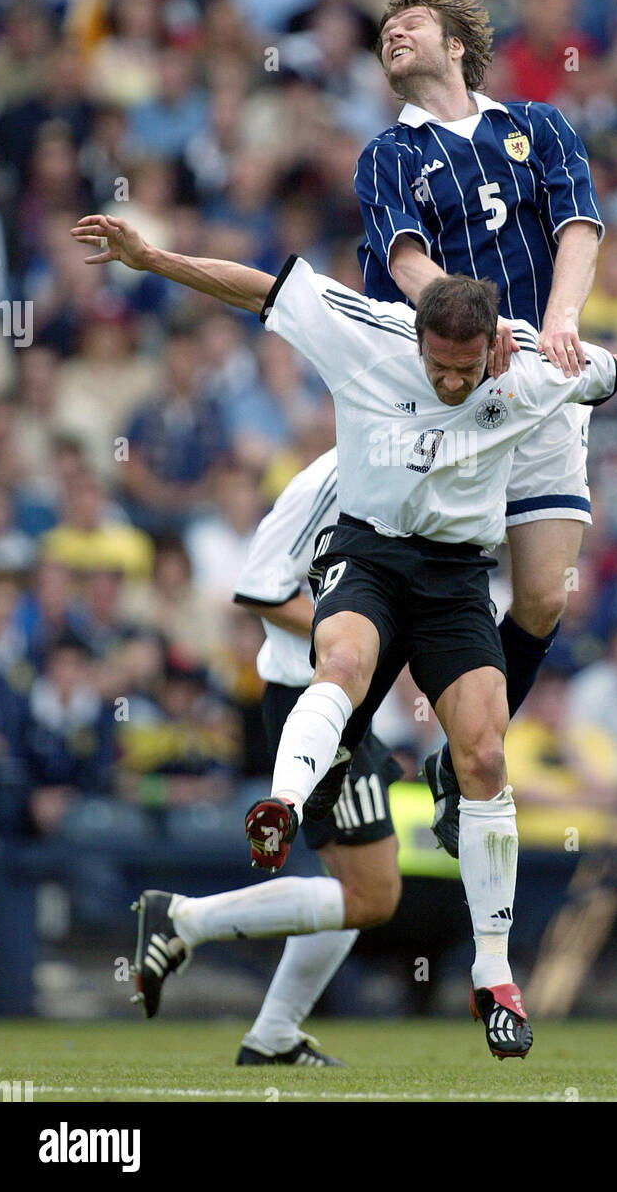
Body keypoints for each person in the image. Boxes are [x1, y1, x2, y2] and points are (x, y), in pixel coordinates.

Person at [71, 210, 617, 1059]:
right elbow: (253, 286)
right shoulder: (359, 351)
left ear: (489, 346)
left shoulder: (526, 371)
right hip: (368, 566)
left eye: (466, 369)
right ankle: (281, 801)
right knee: (342, 667)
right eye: (438, 368)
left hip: (454, 578)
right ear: (414, 339)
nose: (452, 385)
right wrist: (152, 257)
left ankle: (491, 978)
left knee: (479, 761)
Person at [355, 0, 606, 854]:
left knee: (542, 593)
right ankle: (347, 746)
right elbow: (403, 260)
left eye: (409, 23)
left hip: (536, 383)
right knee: (405, 591)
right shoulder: (388, 153)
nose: (392, 33)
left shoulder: (536, 126)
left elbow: (578, 224)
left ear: (456, 44)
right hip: (442, 393)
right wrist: (470, 321)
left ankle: (459, 767)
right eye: (383, 28)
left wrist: (559, 321)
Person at [231, 448, 405, 1067]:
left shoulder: (412, 466)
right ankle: (186, 922)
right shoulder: (327, 480)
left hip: (347, 704)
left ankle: (273, 1036)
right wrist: (349, 634)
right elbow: (257, 589)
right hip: (305, 698)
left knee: (365, 887)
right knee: (372, 892)